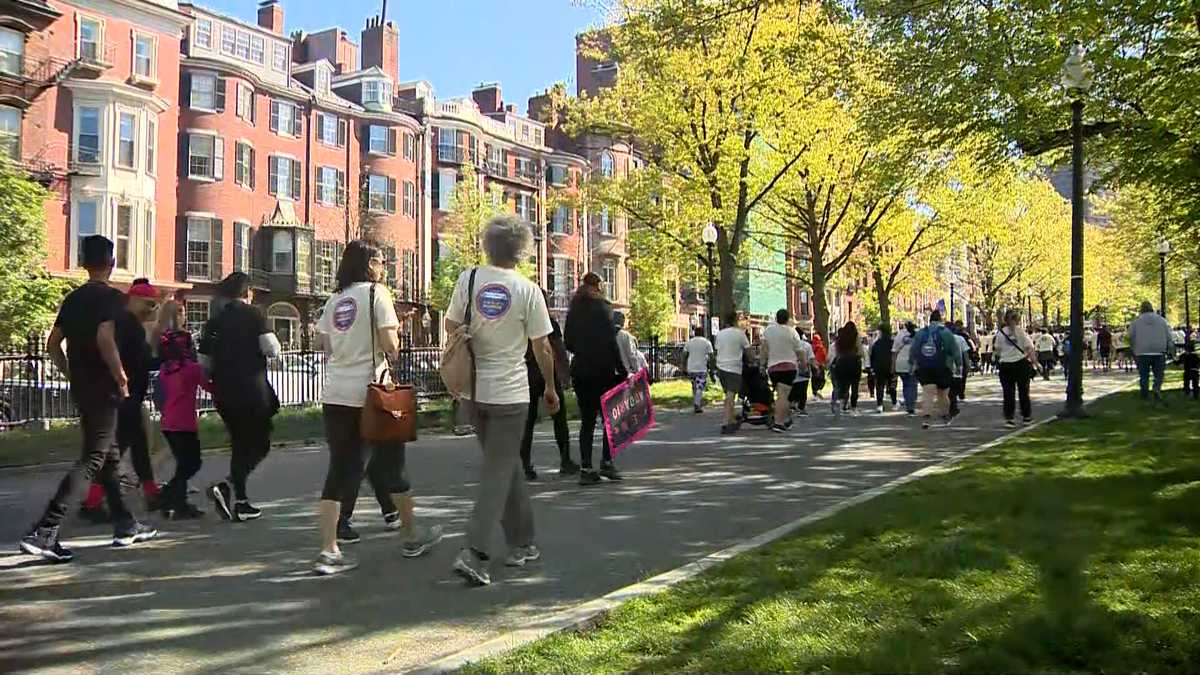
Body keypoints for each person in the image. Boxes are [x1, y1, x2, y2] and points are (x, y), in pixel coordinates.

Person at [19, 236, 156, 562]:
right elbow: (105, 337)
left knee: (107, 456)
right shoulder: (111, 298)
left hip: (83, 385)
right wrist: (121, 376)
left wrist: (69, 373)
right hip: (105, 387)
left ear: (83, 263)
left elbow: (53, 344)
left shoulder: (72, 299)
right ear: (111, 263)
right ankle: (45, 530)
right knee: (93, 457)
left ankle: (125, 524)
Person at [310, 241, 443, 575]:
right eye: (382, 261)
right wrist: (393, 339)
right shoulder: (376, 294)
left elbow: (320, 344)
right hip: (372, 396)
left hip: (335, 393)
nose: (384, 267)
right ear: (369, 264)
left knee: (339, 469)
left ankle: (329, 550)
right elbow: (390, 345)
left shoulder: (335, 299)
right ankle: (411, 536)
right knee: (393, 466)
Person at [447, 215, 559, 587]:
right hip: (511, 394)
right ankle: (475, 552)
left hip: (474, 392)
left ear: (488, 245)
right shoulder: (528, 290)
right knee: (499, 470)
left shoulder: (470, 279)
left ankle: (523, 542)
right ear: (522, 250)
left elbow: (450, 325)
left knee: (505, 467)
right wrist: (551, 386)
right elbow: (542, 345)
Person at [76, 280, 162, 522]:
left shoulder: (127, 323)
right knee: (117, 452)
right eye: (148, 303)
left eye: (154, 304)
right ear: (133, 299)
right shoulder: (128, 325)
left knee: (137, 447)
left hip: (128, 396)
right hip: (126, 395)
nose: (151, 309)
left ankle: (150, 493)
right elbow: (139, 360)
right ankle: (93, 504)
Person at [200, 272, 281, 523]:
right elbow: (272, 348)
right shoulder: (255, 314)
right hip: (252, 389)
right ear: (248, 293)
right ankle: (230, 485)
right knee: (260, 442)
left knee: (239, 442)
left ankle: (240, 500)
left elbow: (203, 363)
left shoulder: (213, 323)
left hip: (225, 391)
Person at [565, 273, 627, 486]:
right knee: (610, 419)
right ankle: (607, 462)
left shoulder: (574, 310)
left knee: (587, 421)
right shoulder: (604, 308)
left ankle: (585, 467)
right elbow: (612, 341)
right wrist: (622, 369)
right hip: (604, 370)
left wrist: (584, 350)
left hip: (582, 370)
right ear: (598, 286)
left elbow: (568, 342)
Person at [521, 295, 578, 479]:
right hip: (547, 373)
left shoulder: (522, 323)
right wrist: (563, 376)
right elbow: (557, 350)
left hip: (527, 374)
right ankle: (565, 459)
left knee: (527, 423)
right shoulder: (549, 322)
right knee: (559, 418)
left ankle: (524, 466)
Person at [156, 329, 211, 520]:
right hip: (185, 424)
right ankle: (170, 498)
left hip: (168, 424)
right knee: (192, 464)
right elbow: (210, 386)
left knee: (184, 465)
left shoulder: (165, 370)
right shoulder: (192, 369)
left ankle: (176, 501)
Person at [911, 310, 960, 429]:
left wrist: (913, 364)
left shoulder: (921, 333)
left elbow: (914, 350)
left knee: (928, 392)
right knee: (943, 393)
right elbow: (954, 350)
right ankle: (945, 416)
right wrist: (958, 365)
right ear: (940, 320)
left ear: (930, 320)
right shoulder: (945, 333)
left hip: (924, 367)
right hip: (943, 367)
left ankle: (926, 418)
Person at [760, 309, 804, 432]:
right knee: (783, 396)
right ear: (787, 318)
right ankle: (779, 422)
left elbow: (764, 349)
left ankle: (785, 419)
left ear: (776, 318)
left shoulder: (768, 331)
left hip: (773, 367)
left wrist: (762, 365)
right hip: (789, 366)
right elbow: (799, 351)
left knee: (781, 395)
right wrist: (803, 364)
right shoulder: (792, 332)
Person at [994, 309, 1037, 427]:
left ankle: (1009, 418)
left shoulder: (1001, 333)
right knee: (1023, 391)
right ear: (1017, 320)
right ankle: (1026, 416)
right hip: (1020, 363)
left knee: (1008, 393)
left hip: (1006, 364)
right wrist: (1035, 363)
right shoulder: (1021, 332)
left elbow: (997, 350)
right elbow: (1029, 348)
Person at [1129, 300, 1174, 405]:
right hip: (1159, 350)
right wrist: (1169, 348)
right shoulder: (1162, 321)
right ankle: (1156, 388)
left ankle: (1144, 394)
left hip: (1141, 351)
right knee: (1159, 374)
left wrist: (1133, 348)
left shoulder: (1136, 322)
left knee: (1144, 375)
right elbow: (1169, 336)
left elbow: (1130, 336)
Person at [714, 312, 750, 434]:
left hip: (721, 367)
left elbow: (717, 349)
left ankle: (732, 417)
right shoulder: (740, 334)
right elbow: (748, 351)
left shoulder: (720, 334)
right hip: (733, 367)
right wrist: (753, 361)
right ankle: (726, 422)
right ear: (736, 321)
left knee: (728, 394)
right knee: (730, 395)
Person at [830, 323, 864, 415]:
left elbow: (837, 352)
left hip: (841, 362)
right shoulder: (856, 337)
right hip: (854, 362)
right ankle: (853, 407)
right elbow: (860, 351)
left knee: (843, 385)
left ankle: (841, 403)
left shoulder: (840, 338)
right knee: (854, 385)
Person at [683, 328, 713, 414]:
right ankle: (697, 404)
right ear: (703, 333)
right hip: (702, 368)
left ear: (694, 333)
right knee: (700, 386)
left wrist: (683, 365)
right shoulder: (707, 343)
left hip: (691, 368)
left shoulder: (689, 342)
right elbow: (711, 356)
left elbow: (684, 355)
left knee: (694, 386)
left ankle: (696, 402)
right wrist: (712, 368)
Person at [892, 321, 918, 416]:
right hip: (913, 363)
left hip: (900, 363)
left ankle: (908, 405)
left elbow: (894, 352)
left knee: (906, 385)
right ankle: (911, 406)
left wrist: (893, 366)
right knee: (913, 385)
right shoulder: (917, 335)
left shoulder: (899, 335)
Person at [869, 324, 894, 413]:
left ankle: (880, 404)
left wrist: (872, 367)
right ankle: (894, 402)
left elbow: (872, 356)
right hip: (890, 366)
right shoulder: (892, 342)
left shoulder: (877, 343)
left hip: (879, 366)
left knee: (880, 386)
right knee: (891, 385)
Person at [789, 329, 815, 417]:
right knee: (803, 391)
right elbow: (811, 359)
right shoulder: (807, 345)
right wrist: (816, 367)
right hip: (804, 372)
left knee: (791, 390)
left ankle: (791, 406)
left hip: (791, 371)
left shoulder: (789, 345)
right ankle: (801, 408)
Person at [948, 326, 971, 418]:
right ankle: (953, 408)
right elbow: (965, 353)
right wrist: (968, 365)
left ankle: (951, 407)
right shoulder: (960, 339)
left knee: (948, 389)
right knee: (954, 389)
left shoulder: (941, 339)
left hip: (946, 367)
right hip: (958, 367)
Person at [810, 331, 828, 399]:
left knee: (814, 378)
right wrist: (824, 363)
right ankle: (819, 390)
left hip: (813, 364)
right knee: (821, 379)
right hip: (820, 364)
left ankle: (814, 392)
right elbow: (824, 356)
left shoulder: (811, 347)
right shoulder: (821, 347)